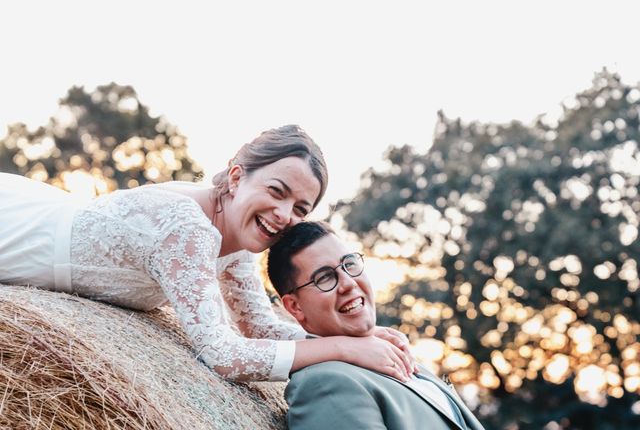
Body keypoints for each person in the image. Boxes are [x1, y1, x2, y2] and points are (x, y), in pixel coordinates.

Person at [0, 125, 413, 382]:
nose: (284, 215)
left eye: (301, 208)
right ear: (237, 176)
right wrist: (343, 349)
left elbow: (259, 329)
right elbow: (223, 355)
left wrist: (346, 334)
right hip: (19, 235)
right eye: (276, 191)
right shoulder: (189, 228)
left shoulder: (232, 239)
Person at [267, 221, 485, 430]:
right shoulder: (323, 384)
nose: (349, 283)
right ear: (295, 307)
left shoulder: (397, 352)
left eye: (349, 264)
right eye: (324, 278)